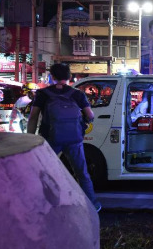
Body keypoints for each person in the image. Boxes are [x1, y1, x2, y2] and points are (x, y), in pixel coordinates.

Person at [27, 63, 102, 213]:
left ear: (52, 76)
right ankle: (92, 204)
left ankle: (44, 205)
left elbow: (33, 117)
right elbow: (90, 115)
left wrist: (30, 138)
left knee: (44, 172)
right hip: (74, 139)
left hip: (51, 139)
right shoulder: (77, 94)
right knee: (82, 172)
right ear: (69, 77)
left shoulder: (43, 94)